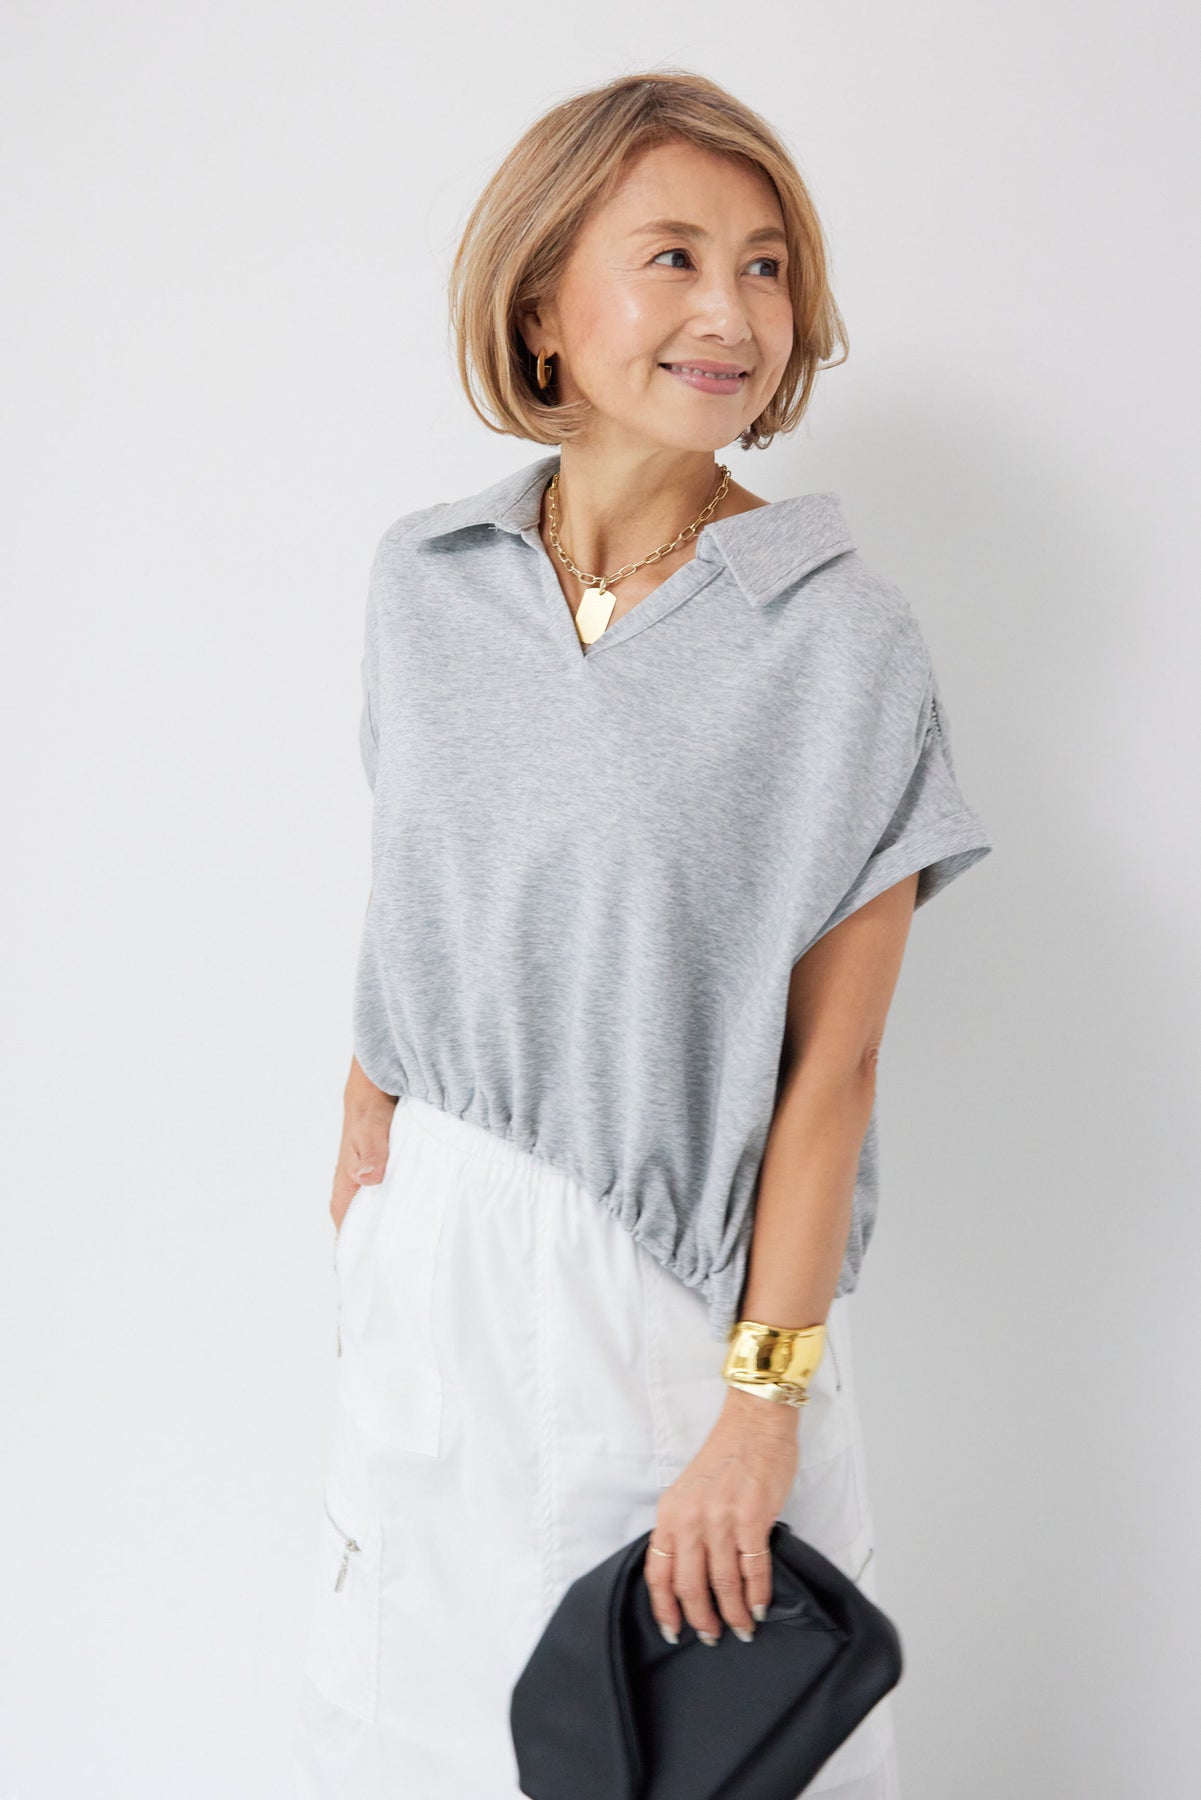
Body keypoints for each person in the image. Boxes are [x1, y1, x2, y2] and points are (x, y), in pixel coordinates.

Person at [288, 69, 992, 1800]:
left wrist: (760, 1402)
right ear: (539, 300)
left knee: (697, 1761)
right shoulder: (425, 578)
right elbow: (424, 872)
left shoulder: (836, 638)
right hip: (435, 1257)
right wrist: (373, 1110)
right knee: (411, 1738)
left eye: (764, 266)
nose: (729, 313)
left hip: (671, 1293)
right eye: (671, 257)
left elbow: (834, 1070)